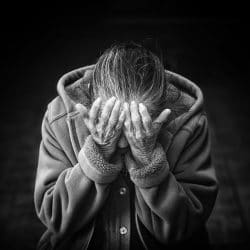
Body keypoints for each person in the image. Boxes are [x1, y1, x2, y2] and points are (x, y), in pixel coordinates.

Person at [34, 42, 218, 250]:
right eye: (112, 122)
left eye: (138, 124)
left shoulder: (191, 123)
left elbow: (184, 226)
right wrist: (98, 153)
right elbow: (55, 218)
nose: (122, 142)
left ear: (162, 112)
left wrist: (149, 159)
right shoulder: (59, 118)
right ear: (90, 100)